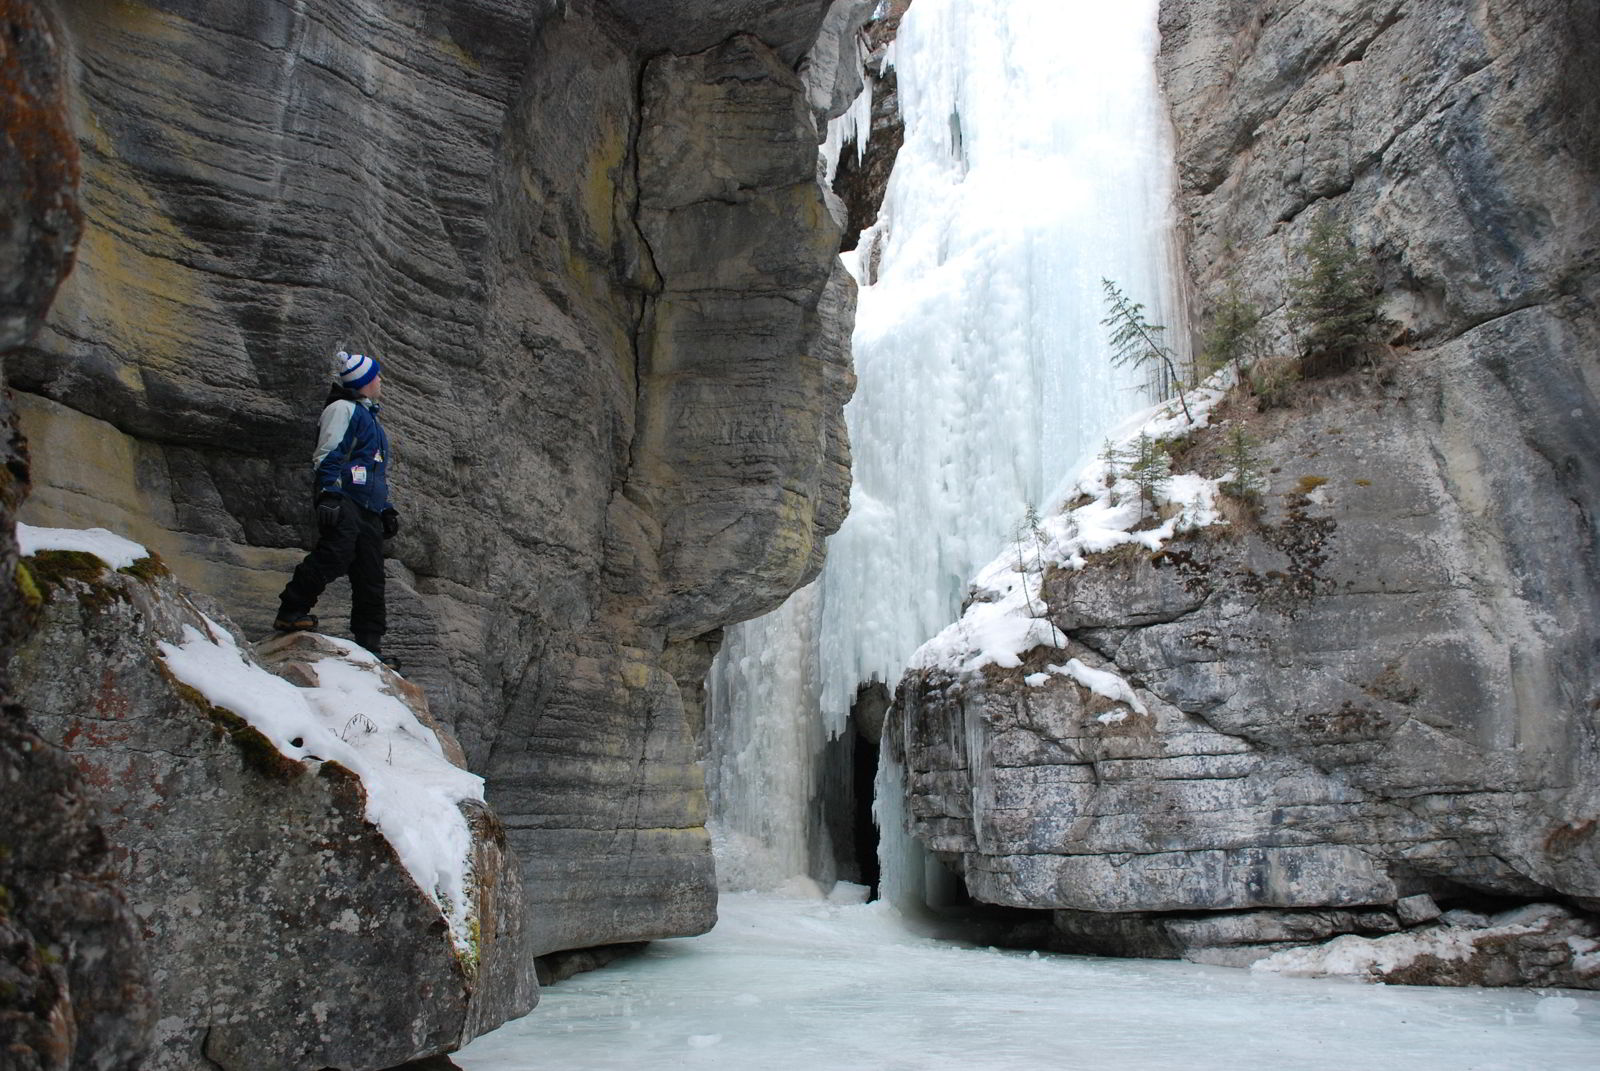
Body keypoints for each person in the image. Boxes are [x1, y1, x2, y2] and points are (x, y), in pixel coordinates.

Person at [273, 349, 401, 668]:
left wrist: (384, 508)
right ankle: (291, 610)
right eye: (377, 376)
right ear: (365, 382)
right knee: (335, 554)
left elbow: (373, 469)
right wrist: (329, 492)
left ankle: (370, 643)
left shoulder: (369, 416)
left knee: (371, 574)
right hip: (344, 497)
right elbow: (329, 452)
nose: (381, 380)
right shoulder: (343, 409)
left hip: (367, 506)